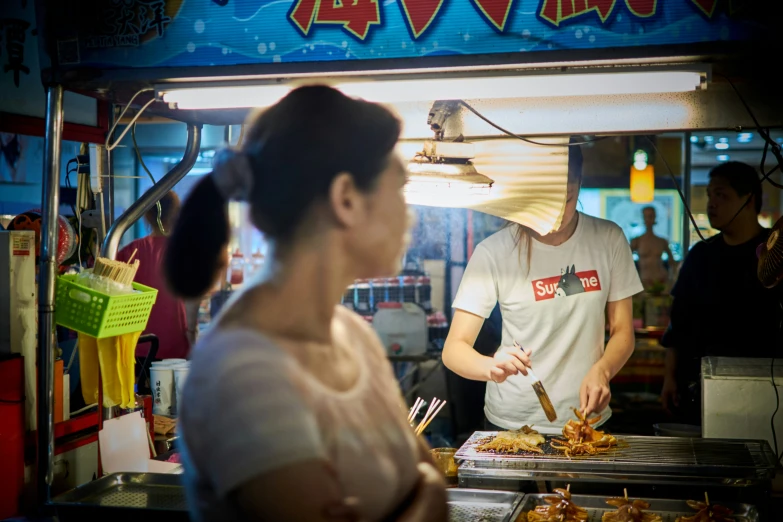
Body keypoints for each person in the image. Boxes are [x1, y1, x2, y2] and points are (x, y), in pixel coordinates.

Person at [164, 86, 447, 522]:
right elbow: (426, 484)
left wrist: (427, 492)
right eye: (400, 189)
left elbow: (431, 479)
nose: (409, 215)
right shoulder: (244, 373)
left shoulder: (353, 335)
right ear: (346, 199)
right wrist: (426, 494)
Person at [443, 143, 643, 431]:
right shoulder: (494, 252)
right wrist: (491, 367)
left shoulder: (608, 239)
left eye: (567, 199)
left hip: (586, 420)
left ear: (580, 183)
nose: (556, 215)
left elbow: (623, 331)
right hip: (511, 423)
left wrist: (603, 370)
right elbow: (454, 349)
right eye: (544, 201)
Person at [660, 161, 780, 421]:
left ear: (749, 200)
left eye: (721, 195)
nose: (711, 203)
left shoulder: (774, 254)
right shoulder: (700, 255)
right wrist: (669, 378)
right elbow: (677, 325)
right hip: (698, 389)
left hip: (765, 392)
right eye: (709, 195)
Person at [116, 191, 198, 359]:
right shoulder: (185, 251)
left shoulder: (129, 253)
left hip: (137, 348)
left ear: (146, 216)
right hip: (176, 348)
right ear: (177, 213)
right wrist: (191, 332)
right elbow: (192, 298)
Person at [630, 206, 675, 292]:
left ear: (655, 217)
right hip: (644, 281)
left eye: (651, 216)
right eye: (646, 216)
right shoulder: (636, 241)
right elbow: (624, 262)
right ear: (643, 217)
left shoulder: (662, 241)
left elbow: (672, 263)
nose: (649, 219)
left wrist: (672, 279)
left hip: (661, 280)